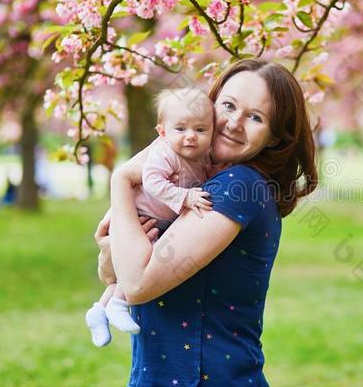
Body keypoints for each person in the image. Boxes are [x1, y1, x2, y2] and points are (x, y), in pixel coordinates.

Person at [94, 59, 318, 386]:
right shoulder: (195, 181)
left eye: (255, 117)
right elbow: (115, 273)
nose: (233, 123)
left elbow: (138, 283)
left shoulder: (239, 186)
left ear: (273, 137)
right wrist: (110, 252)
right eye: (227, 105)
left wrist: (122, 179)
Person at [86, 88, 217, 346]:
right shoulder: (165, 153)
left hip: (154, 220)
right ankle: (119, 303)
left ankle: (99, 311)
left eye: (200, 130)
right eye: (181, 129)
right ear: (163, 132)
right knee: (145, 257)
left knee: (137, 261)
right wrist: (184, 197)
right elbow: (153, 182)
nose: (191, 136)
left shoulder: (200, 159)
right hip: (138, 215)